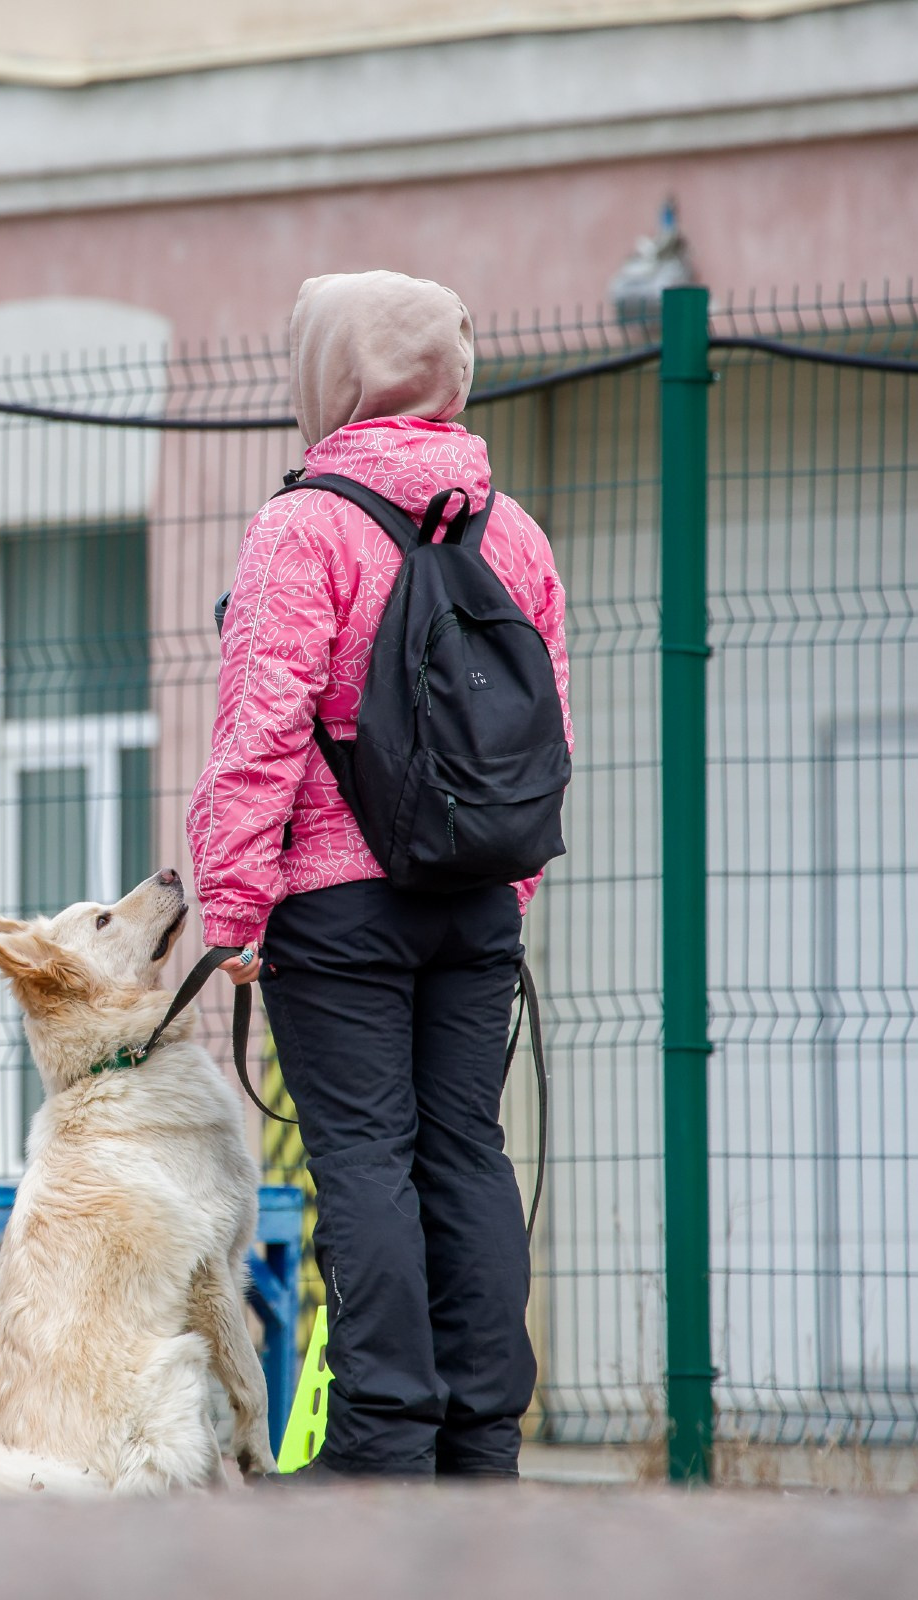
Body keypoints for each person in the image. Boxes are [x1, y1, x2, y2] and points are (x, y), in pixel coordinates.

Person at [186, 272, 572, 1480]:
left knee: (363, 1156)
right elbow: (543, 727)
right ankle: (478, 1439)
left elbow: (261, 727)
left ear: (328, 372)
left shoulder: (301, 526)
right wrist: (507, 893)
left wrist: (236, 906)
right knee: (465, 1150)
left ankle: (381, 1436)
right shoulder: (512, 528)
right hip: (474, 898)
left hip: (336, 903)